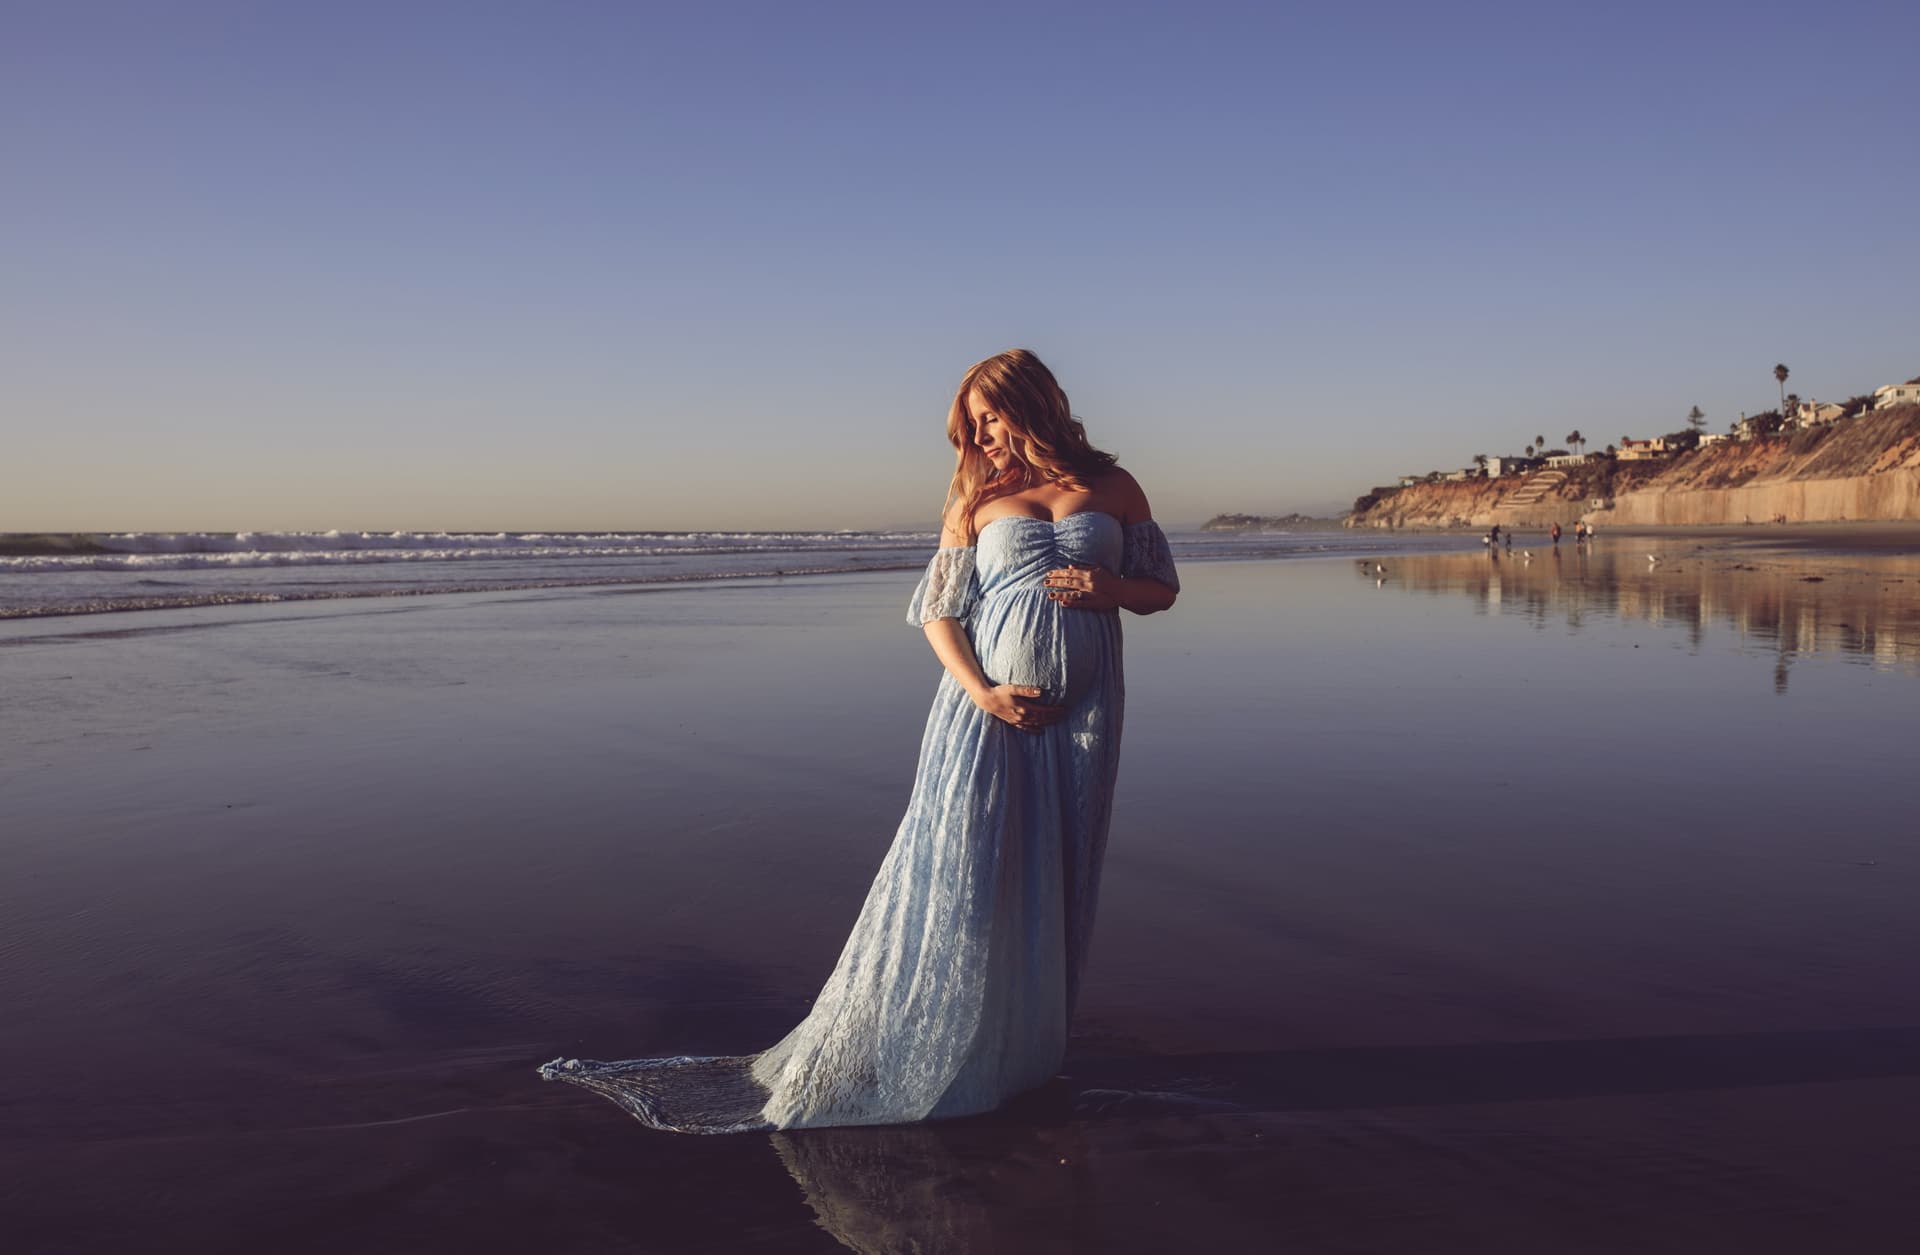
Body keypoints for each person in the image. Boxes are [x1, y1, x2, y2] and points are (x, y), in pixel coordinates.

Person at [540, 349, 1180, 1132]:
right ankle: (933, 1043)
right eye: (972, 423)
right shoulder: (977, 493)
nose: (982, 433)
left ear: (1035, 403)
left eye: (992, 415)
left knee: (1056, 869)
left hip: (1085, 718)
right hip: (982, 713)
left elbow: (1161, 589)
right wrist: (982, 691)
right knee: (964, 867)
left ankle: (1018, 1051)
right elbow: (938, 611)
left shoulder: (1115, 487)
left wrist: (1112, 590)